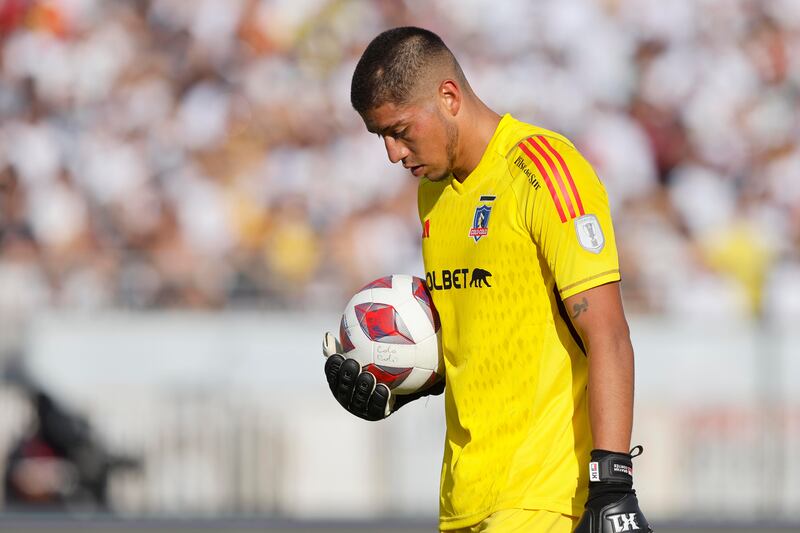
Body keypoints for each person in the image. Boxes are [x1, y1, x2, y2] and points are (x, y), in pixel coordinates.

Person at [323, 27, 652, 533]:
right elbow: (483, 339)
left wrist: (612, 487)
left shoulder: (545, 171)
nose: (392, 153)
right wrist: (403, 382)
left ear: (448, 96)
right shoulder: (432, 194)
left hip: (545, 499)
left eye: (400, 130)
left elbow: (607, 331)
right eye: (380, 136)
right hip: (464, 501)